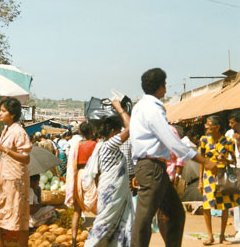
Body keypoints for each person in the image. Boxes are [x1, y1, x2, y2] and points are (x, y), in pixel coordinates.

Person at [130, 68, 218, 247]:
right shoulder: (153, 108)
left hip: (154, 167)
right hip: (152, 167)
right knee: (144, 218)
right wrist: (203, 160)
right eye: (165, 84)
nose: (166, 89)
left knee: (175, 213)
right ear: (160, 86)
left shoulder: (139, 106)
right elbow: (171, 140)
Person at [0, 97, 33, 247]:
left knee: (19, 217)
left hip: (16, 179)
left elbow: (26, 158)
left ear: (13, 114)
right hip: (3, 177)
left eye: (3, 111)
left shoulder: (19, 131)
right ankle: (0, 244)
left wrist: (5, 149)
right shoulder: (6, 129)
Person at [83, 100, 133, 247]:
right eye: (118, 130)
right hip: (111, 195)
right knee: (103, 226)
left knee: (112, 226)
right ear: (112, 132)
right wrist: (119, 108)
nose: (120, 133)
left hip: (111, 193)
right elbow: (131, 128)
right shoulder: (109, 146)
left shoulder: (103, 147)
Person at [198, 115, 239, 245]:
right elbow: (200, 161)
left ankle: (222, 236)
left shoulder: (228, 141)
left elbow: (234, 160)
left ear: (217, 127)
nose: (206, 128)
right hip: (208, 176)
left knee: (225, 206)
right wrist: (200, 181)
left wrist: (225, 160)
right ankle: (210, 236)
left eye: (209, 126)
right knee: (207, 205)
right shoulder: (204, 140)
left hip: (223, 176)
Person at [64, 121, 97, 245]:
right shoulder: (94, 144)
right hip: (90, 175)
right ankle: (97, 239)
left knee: (77, 211)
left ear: (79, 132)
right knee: (99, 209)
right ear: (91, 131)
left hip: (78, 176)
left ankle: (73, 241)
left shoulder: (76, 145)